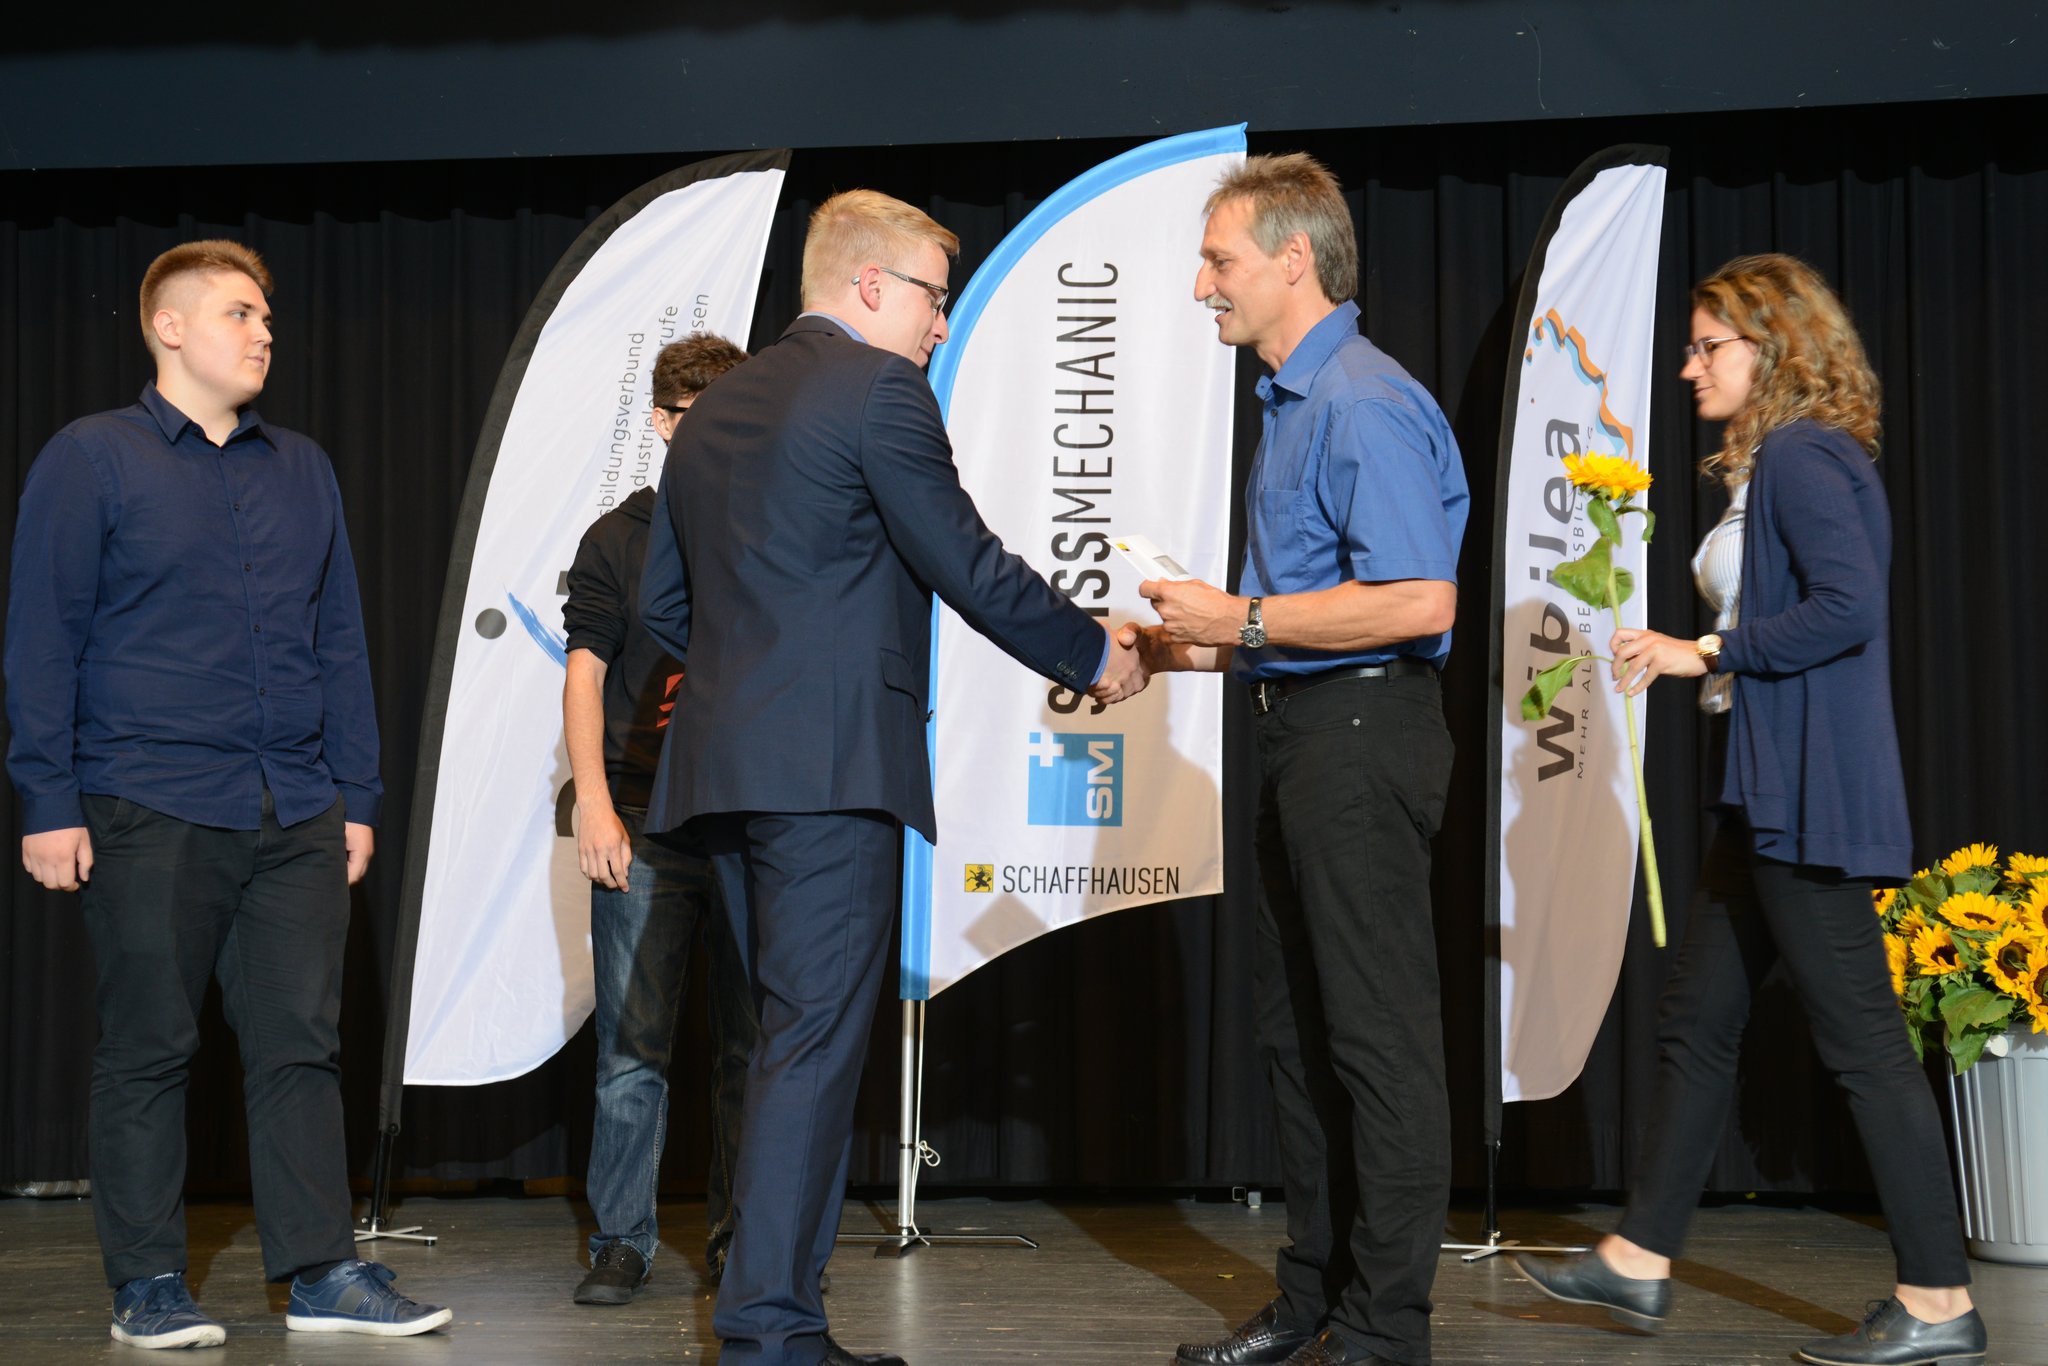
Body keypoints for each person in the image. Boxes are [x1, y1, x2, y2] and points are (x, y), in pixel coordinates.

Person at [637, 189, 1143, 1366]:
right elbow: (961, 557)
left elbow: (662, 606)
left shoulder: (711, 415)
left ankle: (782, 1320)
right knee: (809, 1048)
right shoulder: (876, 390)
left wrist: (753, 675)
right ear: (868, 284)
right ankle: (768, 1334)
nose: (940, 322)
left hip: (721, 770)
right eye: (931, 295)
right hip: (827, 772)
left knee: (784, 1043)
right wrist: (1089, 652)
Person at [1512, 254, 1986, 1366]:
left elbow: (1847, 608)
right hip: (1764, 791)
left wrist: (1707, 649)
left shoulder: (1804, 457)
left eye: (1706, 346)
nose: (1688, 367)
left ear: (1772, 348)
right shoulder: (1774, 463)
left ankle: (1936, 1301)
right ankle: (1638, 1258)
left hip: (1805, 794)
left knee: (1864, 1047)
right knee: (1696, 1023)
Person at [4, 240, 449, 1348]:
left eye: (267, 318)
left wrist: (356, 794)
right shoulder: (91, 457)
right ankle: (147, 1283)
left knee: (301, 1044)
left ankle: (321, 1272)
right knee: (149, 1045)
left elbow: (338, 638)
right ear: (168, 327)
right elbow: (42, 637)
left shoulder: (301, 467)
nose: (263, 334)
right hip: (148, 797)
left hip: (295, 806)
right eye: (240, 314)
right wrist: (46, 798)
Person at [1135, 154, 1469, 1366]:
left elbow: (1418, 600)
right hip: (1303, 729)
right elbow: (1288, 620)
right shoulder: (1291, 406)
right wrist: (1173, 649)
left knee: (1374, 1039)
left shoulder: (1358, 400)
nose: (1199, 287)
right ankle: (1314, 1298)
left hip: (1362, 737)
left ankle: (1384, 1328)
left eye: (1216, 261)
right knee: (1296, 1038)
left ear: (1292, 259)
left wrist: (1239, 619)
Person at [562, 332, 757, 1305]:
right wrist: (593, 804)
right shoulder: (617, 538)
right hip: (641, 817)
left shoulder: (770, 524)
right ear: (662, 423)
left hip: (748, 819)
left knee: (751, 1049)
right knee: (632, 1048)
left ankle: (740, 1245)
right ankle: (622, 1241)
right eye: (694, 417)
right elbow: (584, 674)